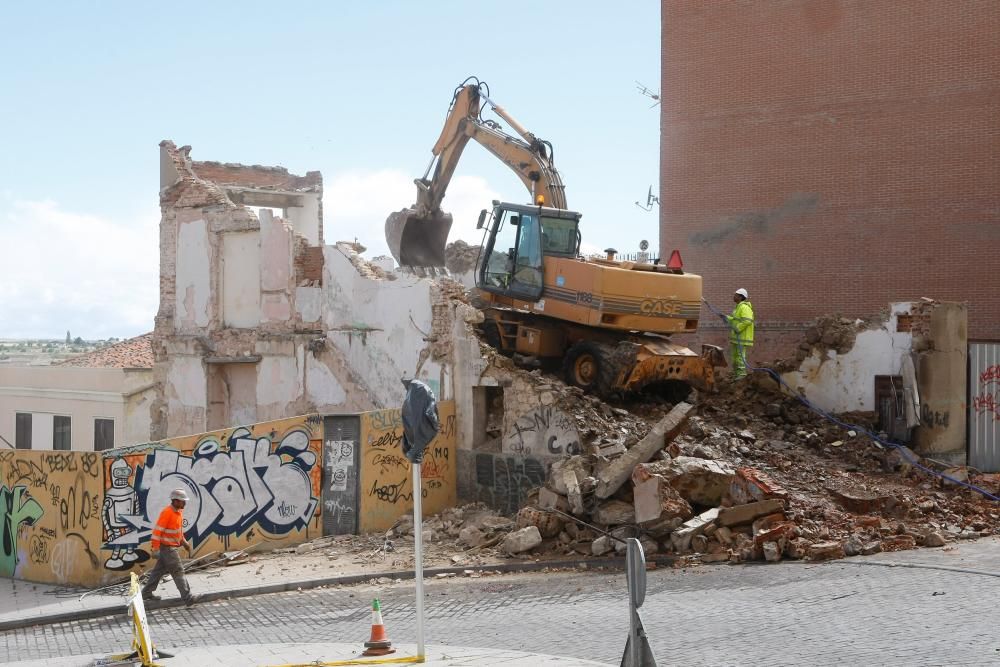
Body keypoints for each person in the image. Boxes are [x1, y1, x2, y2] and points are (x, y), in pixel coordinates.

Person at [141, 488, 198, 606]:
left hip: (168, 548)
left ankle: (146, 593)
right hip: (168, 549)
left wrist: (184, 542)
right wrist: (155, 549)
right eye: (183, 501)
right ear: (176, 501)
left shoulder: (178, 512)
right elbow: (157, 532)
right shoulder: (167, 513)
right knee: (178, 571)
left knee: (157, 572)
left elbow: (177, 532)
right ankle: (188, 598)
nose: (185, 503)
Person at [727, 288, 755, 379]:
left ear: (740, 297)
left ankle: (741, 375)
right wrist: (726, 318)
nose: (733, 296)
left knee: (740, 357)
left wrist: (738, 328)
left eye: (735, 295)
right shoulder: (738, 307)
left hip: (742, 337)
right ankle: (736, 374)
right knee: (735, 357)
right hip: (736, 338)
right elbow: (735, 320)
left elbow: (747, 321)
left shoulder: (744, 307)